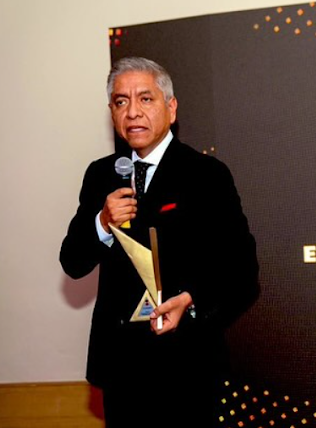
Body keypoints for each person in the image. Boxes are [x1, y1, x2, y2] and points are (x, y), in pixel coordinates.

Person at [60, 57, 259, 427]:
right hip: (120, 370)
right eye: (121, 102)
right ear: (111, 112)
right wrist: (103, 222)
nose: (132, 112)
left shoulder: (206, 175)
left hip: (187, 366)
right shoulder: (101, 174)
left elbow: (243, 272)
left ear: (171, 107)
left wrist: (190, 300)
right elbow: (72, 262)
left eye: (145, 99)